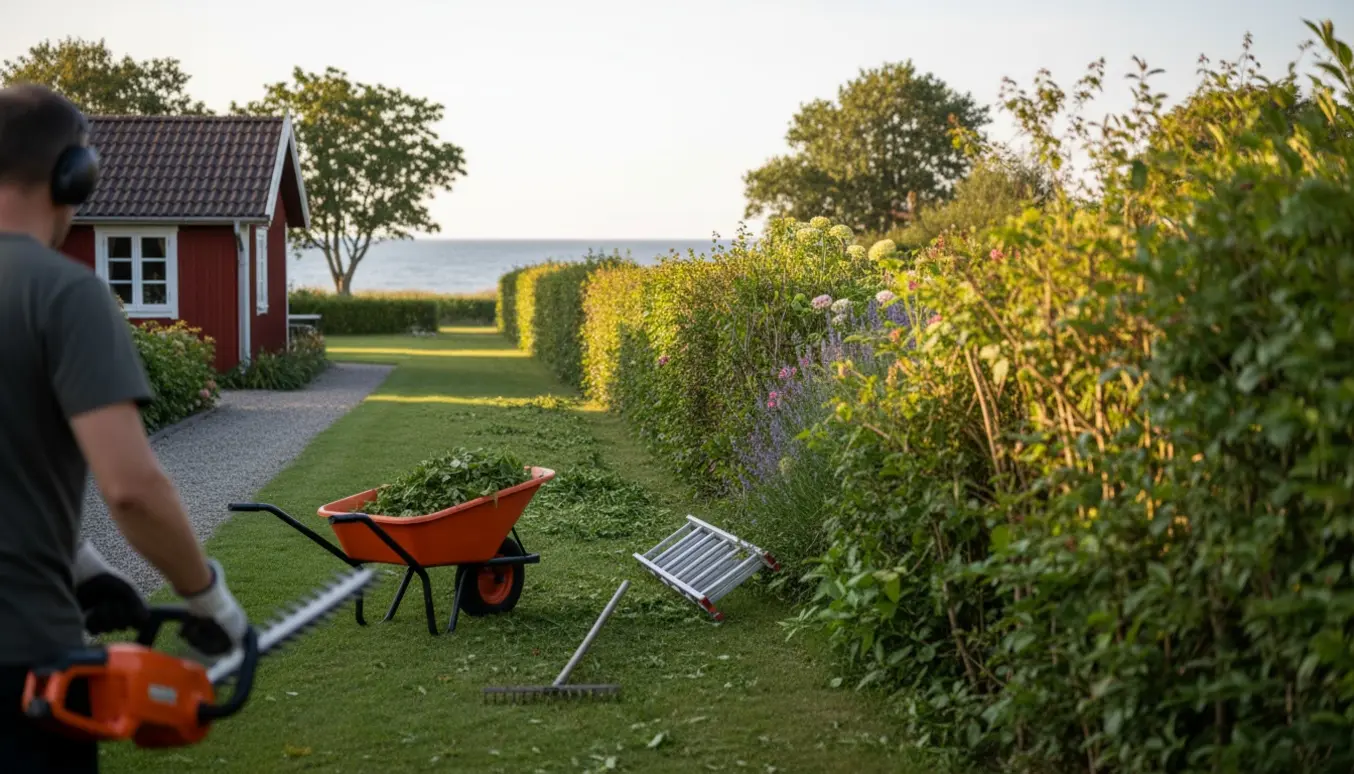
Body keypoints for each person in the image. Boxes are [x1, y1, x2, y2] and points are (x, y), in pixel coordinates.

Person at [0, 83, 250, 771]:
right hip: (21, 665)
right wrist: (210, 599)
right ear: (72, 176)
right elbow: (132, 486)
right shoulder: (62, 291)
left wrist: (81, 565)